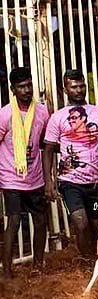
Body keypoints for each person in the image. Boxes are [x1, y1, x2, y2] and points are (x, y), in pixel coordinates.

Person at [43, 69, 98, 256]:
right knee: (80, 221)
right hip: (70, 183)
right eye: (74, 86)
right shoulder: (58, 117)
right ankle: (86, 262)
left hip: (94, 184)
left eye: (81, 86)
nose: (78, 90)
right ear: (65, 89)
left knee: (96, 222)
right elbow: (48, 150)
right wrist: (49, 181)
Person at [1, 67, 50, 278]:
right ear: (13, 89)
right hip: (11, 178)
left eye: (29, 85)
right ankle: (7, 271)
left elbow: (45, 143)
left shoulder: (41, 111)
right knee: (13, 222)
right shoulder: (4, 114)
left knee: (40, 221)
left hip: (35, 177)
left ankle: (38, 265)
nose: (27, 90)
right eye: (21, 87)